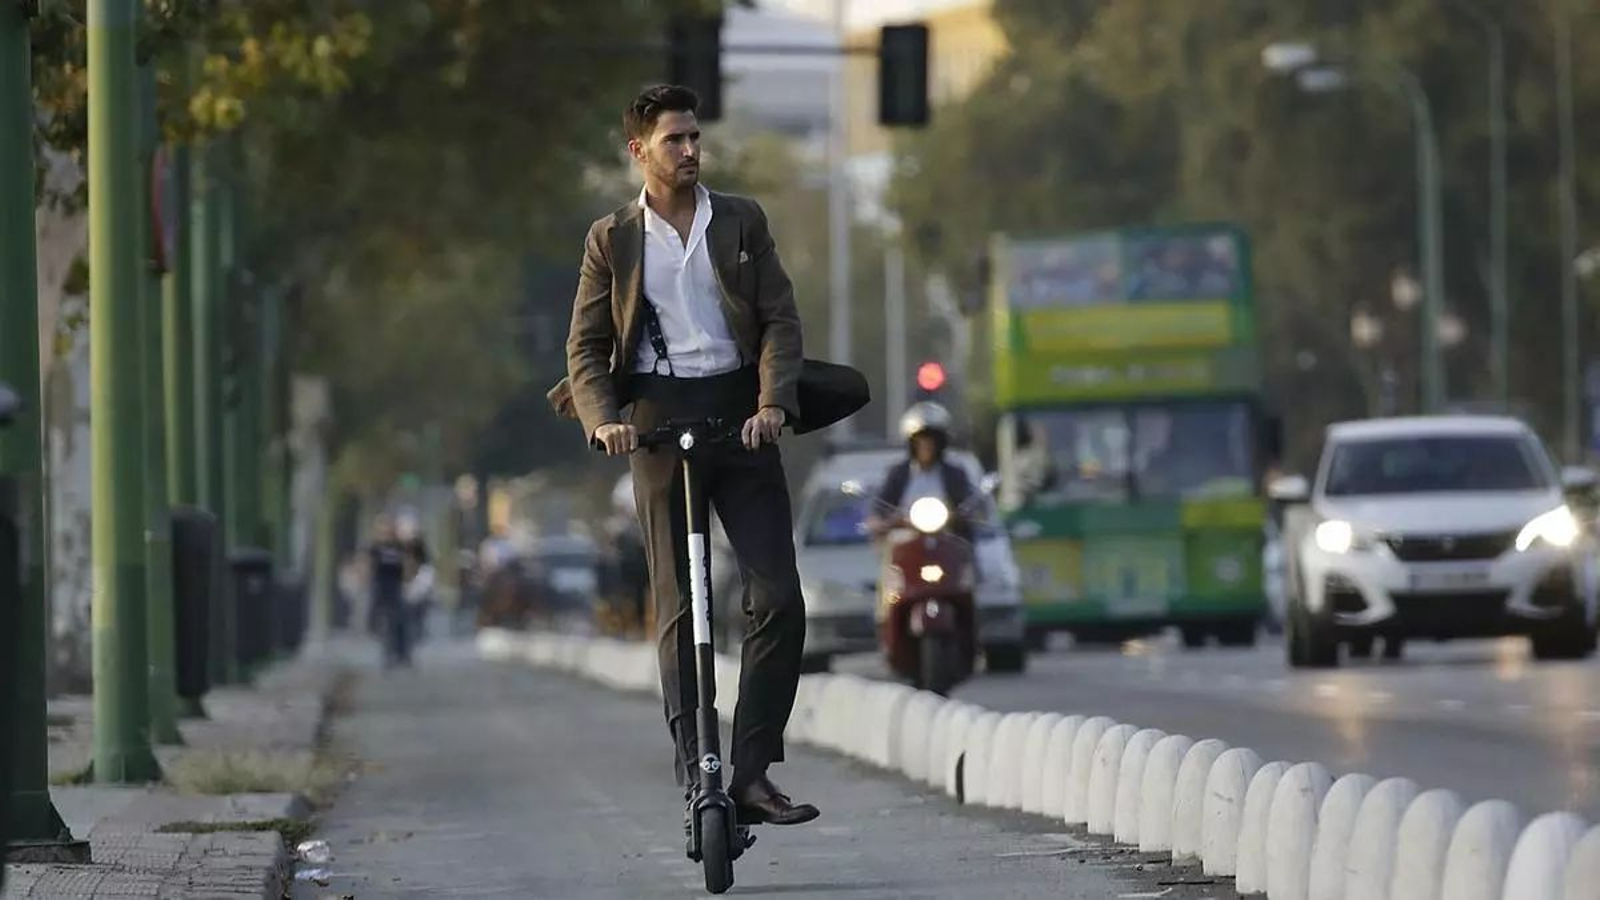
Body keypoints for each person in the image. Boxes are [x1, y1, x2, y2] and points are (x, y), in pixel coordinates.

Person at [564, 85, 817, 826]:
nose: (690, 151)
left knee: (778, 598)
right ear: (639, 151)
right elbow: (584, 346)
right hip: (653, 423)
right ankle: (696, 768)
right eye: (673, 140)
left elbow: (779, 320)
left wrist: (773, 404)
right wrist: (604, 421)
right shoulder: (612, 238)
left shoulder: (741, 220)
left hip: (741, 419)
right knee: (680, 604)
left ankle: (752, 770)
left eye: (695, 138)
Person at [868, 402, 978, 542]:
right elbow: (881, 504)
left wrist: (960, 514)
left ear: (941, 444)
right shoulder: (897, 474)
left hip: (948, 544)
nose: (926, 446)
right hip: (906, 544)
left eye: (932, 441)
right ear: (912, 444)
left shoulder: (955, 474)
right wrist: (880, 520)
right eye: (920, 441)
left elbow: (967, 503)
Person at [368, 516, 411, 668]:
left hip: (396, 587)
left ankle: (403, 654)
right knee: (383, 620)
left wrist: (406, 582)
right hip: (381, 587)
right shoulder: (376, 547)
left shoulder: (399, 546)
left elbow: (405, 565)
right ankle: (386, 653)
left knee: (400, 620)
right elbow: (370, 565)